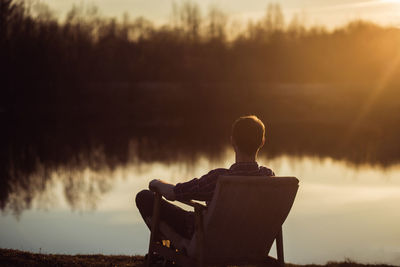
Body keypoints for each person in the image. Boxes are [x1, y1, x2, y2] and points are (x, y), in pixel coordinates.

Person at [135, 115, 275, 242]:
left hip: (208, 236)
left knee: (144, 197)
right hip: (249, 241)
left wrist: (156, 183)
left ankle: (165, 251)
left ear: (232, 141)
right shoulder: (269, 177)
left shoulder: (220, 179)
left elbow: (174, 193)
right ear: (262, 142)